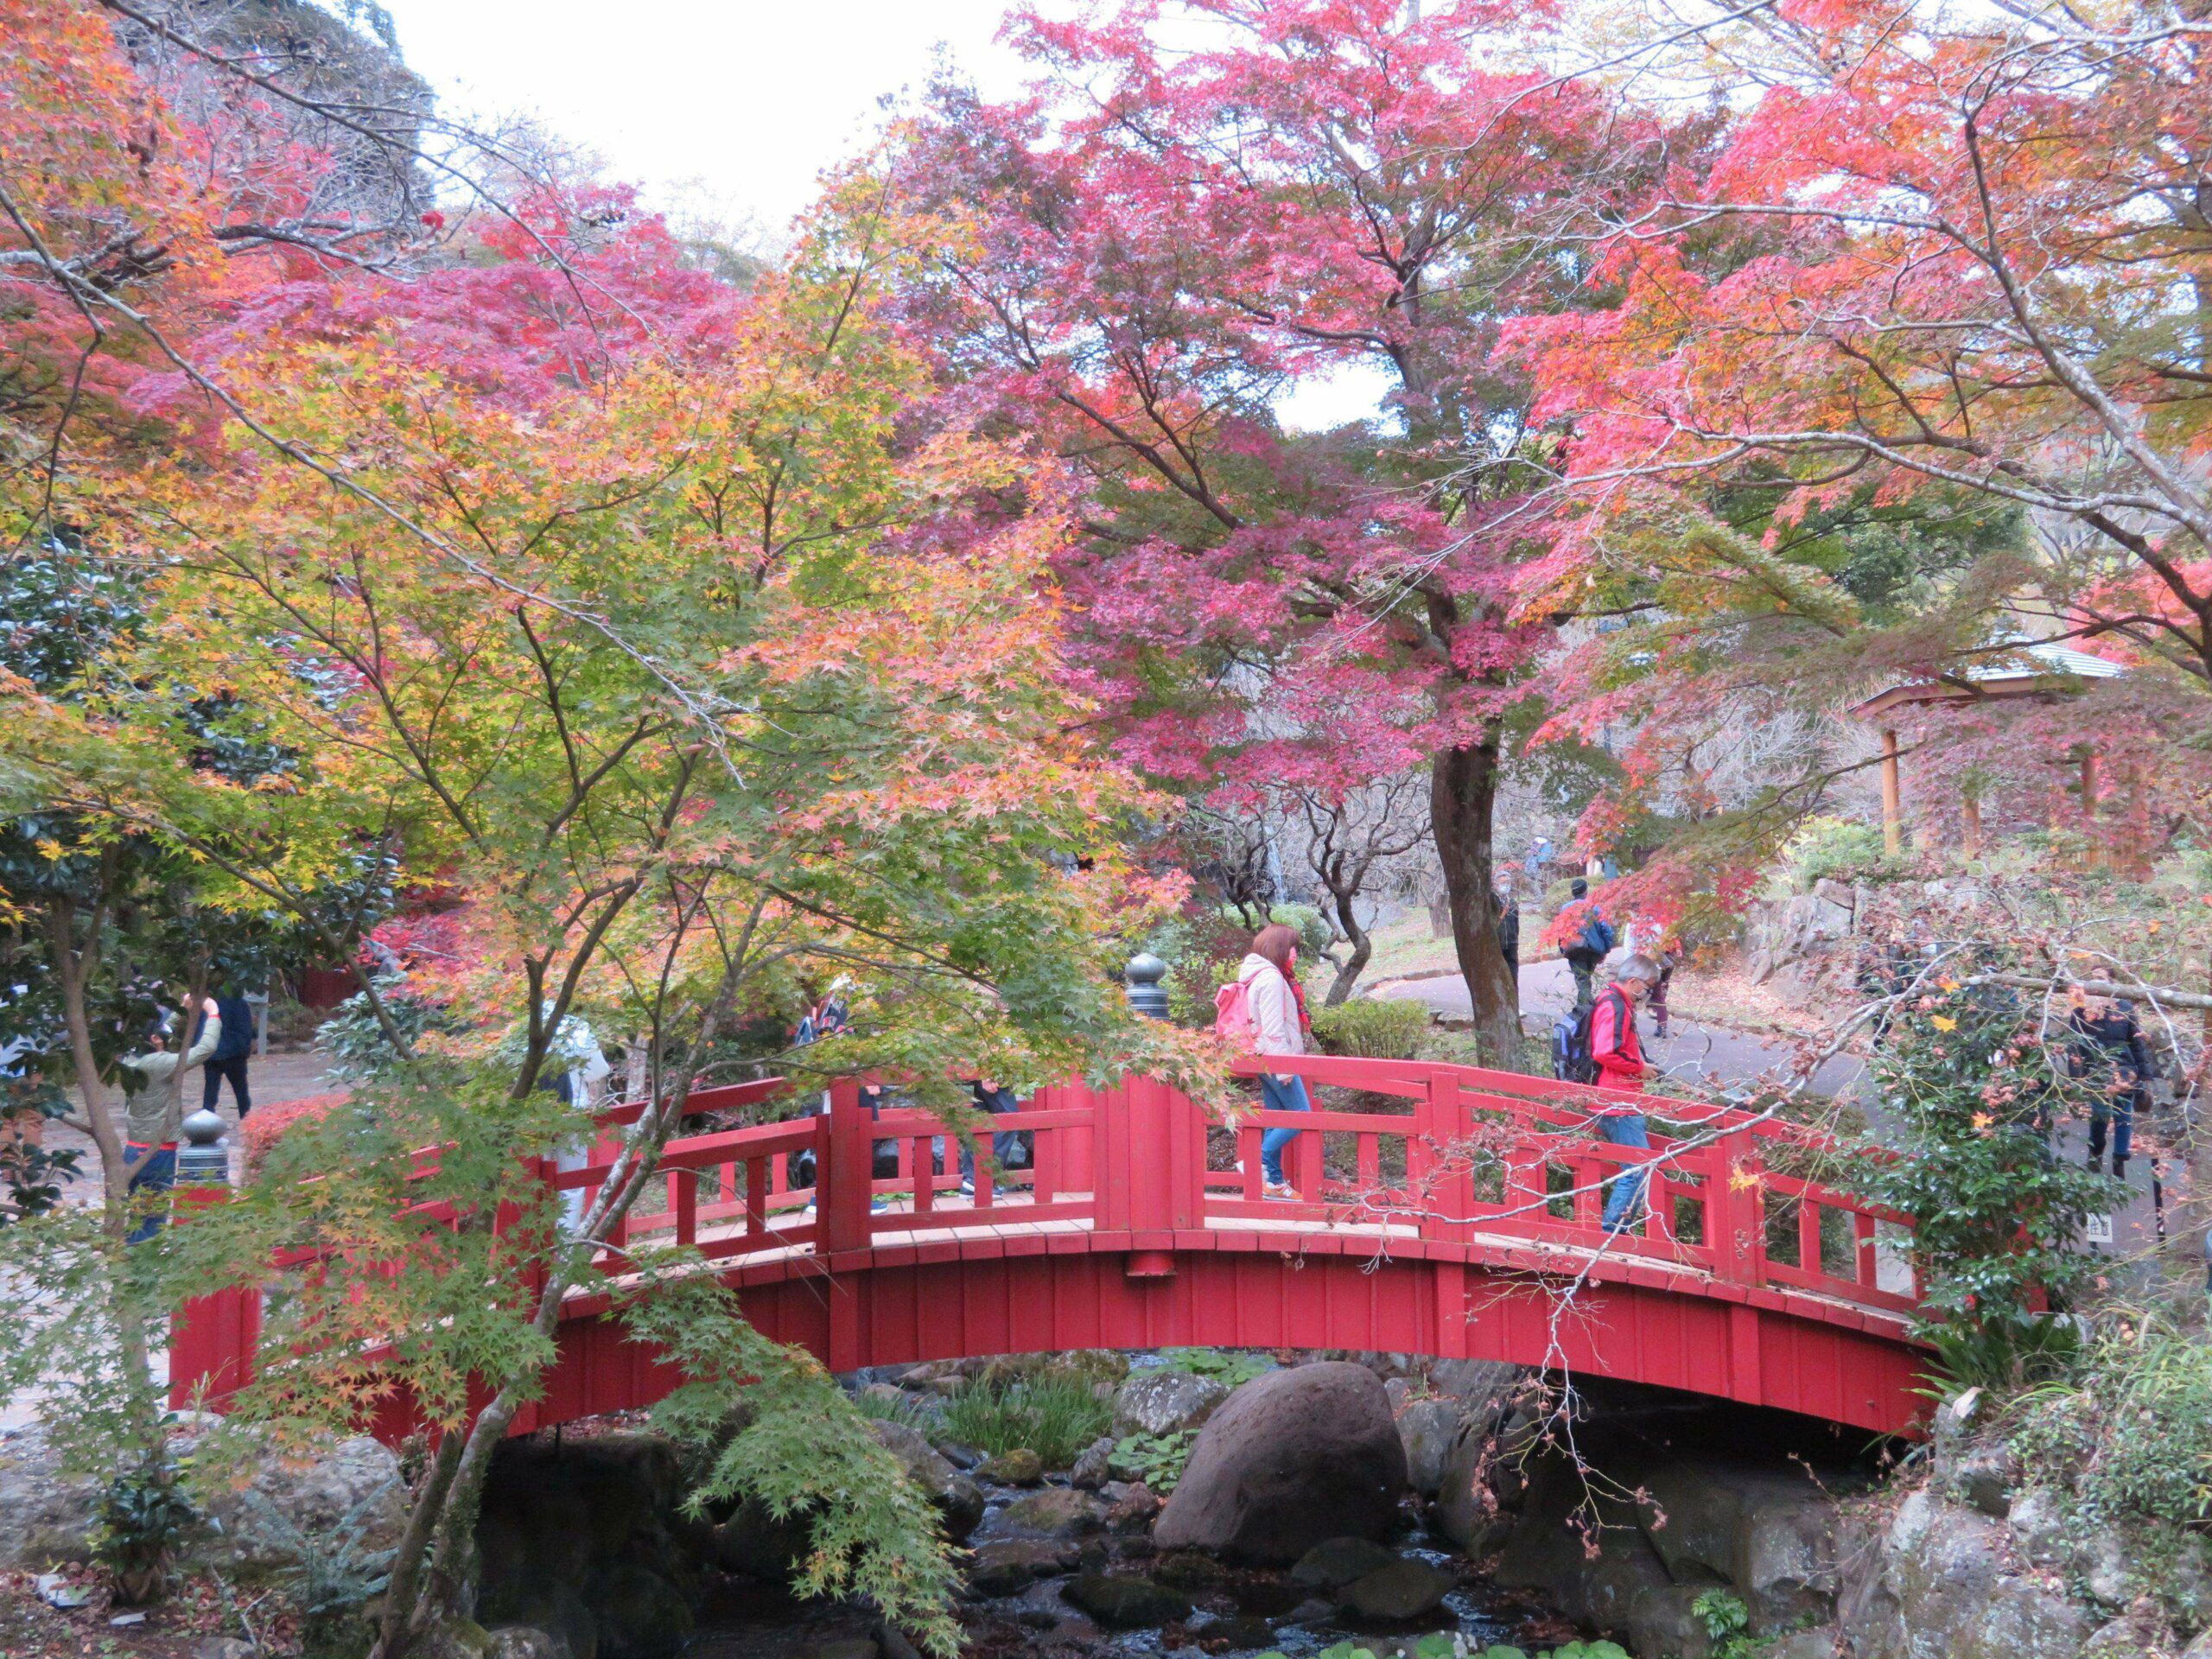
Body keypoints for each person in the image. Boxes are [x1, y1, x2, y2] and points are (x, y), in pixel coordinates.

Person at [118, 996, 223, 1243]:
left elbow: (162, 1032)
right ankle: (142, 1271)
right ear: (155, 1040)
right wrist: (213, 1012)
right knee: (153, 1220)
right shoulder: (159, 1063)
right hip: (157, 1154)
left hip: (133, 1150)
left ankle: (130, 1263)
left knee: (136, 1215)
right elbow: (204, 1050)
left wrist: (183, 1010)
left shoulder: (131, 1059)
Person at [1239, 922, 1313, 1199]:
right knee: (1300, 1117)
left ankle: (1274, 1182)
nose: (1295, 953)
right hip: (1274, 1060)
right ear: (1281, 947)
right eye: (1293, 947)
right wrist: (1284, 1068)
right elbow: (1273, 1029)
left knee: (1275, 1120)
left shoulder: (1258, 974)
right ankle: (1256, 1162)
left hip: (1263, 1058)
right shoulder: (1270, 978)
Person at [1588, 955, 1661, 1233]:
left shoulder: (1614, 1001)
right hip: (1617, 1101)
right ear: (1633, 982)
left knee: (1635, 1170)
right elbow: (1605, 1051)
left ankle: (1614, 1234)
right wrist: (1638, 1068)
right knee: (1638, 1171)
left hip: (1620, 1097)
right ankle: (1612, 1236)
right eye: (1648, 986)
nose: (1649, 993)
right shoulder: (1614, 1005)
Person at [2069, 994, 2156, 1178]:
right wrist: (2077, 1077)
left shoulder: (2124, 1007)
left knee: (2123, 1116)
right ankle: (2096, 1151)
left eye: (2101, 978)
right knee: (2100, 1115)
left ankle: (2120, 1160)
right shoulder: (2081, 1009)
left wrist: (2145, 1074)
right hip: (2097, 1071)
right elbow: (2075, 1045)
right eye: (2093, 978)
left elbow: (2136, 1043)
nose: (2096, 983)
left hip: (2125, 1070)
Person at [957, 1075, 1028, 1198]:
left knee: (982, 1119)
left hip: (995, 1068)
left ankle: (972, 1181)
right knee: (1008, 1119)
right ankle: (982, 1179)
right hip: (992, 1068)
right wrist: (986, 1073)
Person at [197, 989, 257, 1119]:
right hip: (234, 1054)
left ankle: (205, 1129)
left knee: (210, 1095)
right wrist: (244, 1051)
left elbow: (200, 1027)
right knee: (242, 1095)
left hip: (212, 1053)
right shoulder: (238, 1001)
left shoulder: (207, 1002)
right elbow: (245, 1028)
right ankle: (247, 1126)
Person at [1559, 880, 1616, 1011]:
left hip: (1575, 950)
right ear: (1586, 891)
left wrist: (1562, 949)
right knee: (1586, 979)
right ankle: (1586, 1010)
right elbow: (1607, 930)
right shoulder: (1596, 908)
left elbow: (1560, 932)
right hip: (1594, 950)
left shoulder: (1565, 908)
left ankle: (1584, 1011)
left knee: (1582, 980)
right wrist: (1606, 949)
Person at [1493, 886, 1521, 1004]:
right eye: (1502, 882)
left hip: (1511, 943)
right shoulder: (1493, 902)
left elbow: (1516, 923)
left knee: (1513, 976)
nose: (1506, 885)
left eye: (1508, 882)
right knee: (1498, 977)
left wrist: (1514, 936)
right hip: (1497, 945)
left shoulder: (1513, 902)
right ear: (1496, 884)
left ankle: (1515, 1006)